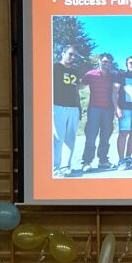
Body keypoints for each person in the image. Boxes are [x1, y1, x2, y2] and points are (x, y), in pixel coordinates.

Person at [81, 53, 118, 171]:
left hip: (108, 110)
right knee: (91, 136)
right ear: (99, 61)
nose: (107, 64)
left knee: (105, 136)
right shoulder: (90, 74)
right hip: (94, 109)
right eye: (105, 61)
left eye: (109, 62)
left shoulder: (113, 76)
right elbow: (80, 86)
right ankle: (87, 162)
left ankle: (103, 161)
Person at [52, 45, 81, 176]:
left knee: (70, 139)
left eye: (75, 55)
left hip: (73, 108)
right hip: (58, 106)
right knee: (58, 138)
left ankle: (66, 166)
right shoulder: (55, 68)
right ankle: (55, 168)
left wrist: (79, 108)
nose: (72, 57)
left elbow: (76, 90)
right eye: (70, 54)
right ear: (63, 53)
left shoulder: (75, 71)